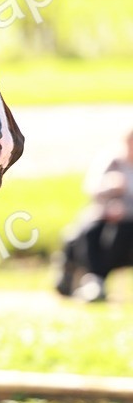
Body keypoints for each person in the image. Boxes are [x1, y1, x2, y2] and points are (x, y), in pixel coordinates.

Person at [54, 127, 133, 302]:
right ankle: (91, 280)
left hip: (128, 221)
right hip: (103, 215)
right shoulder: (113, 161)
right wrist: (111, 187)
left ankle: (96, 280)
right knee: (87, 231)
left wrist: (125, 210)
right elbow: (92, 188)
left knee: (118, 236)